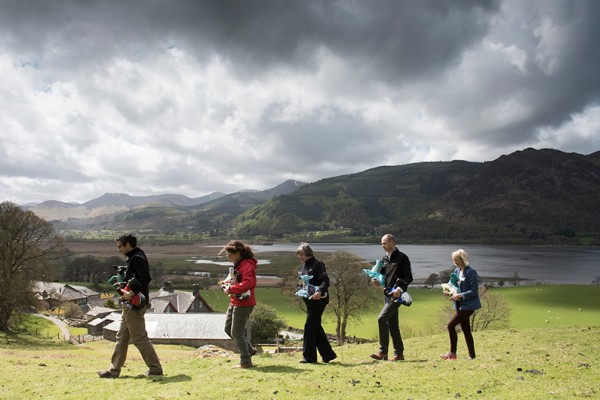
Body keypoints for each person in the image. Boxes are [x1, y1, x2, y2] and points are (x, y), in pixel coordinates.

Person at [98, 234, 163, 378]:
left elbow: (145, 278)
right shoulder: (136, 256)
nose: (119, 249)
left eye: (120, 246)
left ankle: (155, 368)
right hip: (130, 304)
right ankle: (113, 370)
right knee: (121, 337)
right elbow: (136, 277)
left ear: (128, 245)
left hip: (135, 304)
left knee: (139, 338)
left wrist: (131, 292)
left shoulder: (137, 258)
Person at [370, 234, 413, 362]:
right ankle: (399, 354)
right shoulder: (384, 259)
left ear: (393, 242)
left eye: (385, 243)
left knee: (381, 319)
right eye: (382, 244)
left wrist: (399, 290)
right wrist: (376, 281)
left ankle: (383, 352)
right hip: (387, 295)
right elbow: (383, 277)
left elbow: (408, 277)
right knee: (393, 325)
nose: (383, 246)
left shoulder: (402, 258)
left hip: (398, 295)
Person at [296, 242, 337, 364]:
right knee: (316, 327)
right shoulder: (301, 267)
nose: (300, 257)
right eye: (298, 254)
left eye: (302, 254)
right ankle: (328, 355)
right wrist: (298, 290)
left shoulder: (318, 264)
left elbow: (325, 281)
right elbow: (299, 283)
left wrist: (319, 291)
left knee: (309, 326)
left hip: (319, 300)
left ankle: (309, 357)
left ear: (308, 253)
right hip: (309, 301)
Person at [222, 240, 258, 369]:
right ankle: (250, 350)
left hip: (244, 303)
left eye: (230, 254)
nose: (228, 257)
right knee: (228, 329)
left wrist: (231, 289)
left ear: (237, 253)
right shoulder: (238, 265)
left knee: (237, 333)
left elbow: (248, 284)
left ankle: (246, 361)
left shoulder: (246, 266)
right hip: (235, 301)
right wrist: (226, 284)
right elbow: (236, 280)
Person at [441, 248, 481, 360]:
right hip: (459, 305)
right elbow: (454, 287)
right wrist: (448, 292)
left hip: (469, 306)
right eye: (453, 260)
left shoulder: (471, 272)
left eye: (456, 260)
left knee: (450, 325)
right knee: (466, 330)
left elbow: (474, 291)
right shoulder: (456, 271)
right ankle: (472, 356)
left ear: (463, 259)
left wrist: (460, 296)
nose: (454, 262)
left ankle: (452, 354)